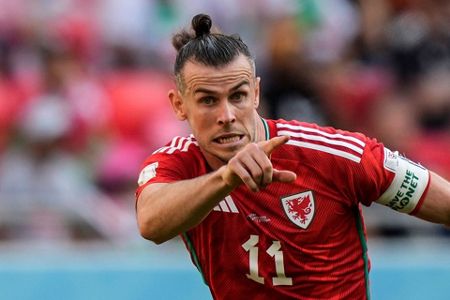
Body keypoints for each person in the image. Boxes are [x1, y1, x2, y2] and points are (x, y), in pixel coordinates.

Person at [135, 14, 450, 299]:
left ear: (256, 93)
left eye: (238, 96)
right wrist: (226, 178)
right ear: (179, 105)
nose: (227, 115)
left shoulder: (333, 155)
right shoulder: (178, 164)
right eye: (207, 100)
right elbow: (151, 222)